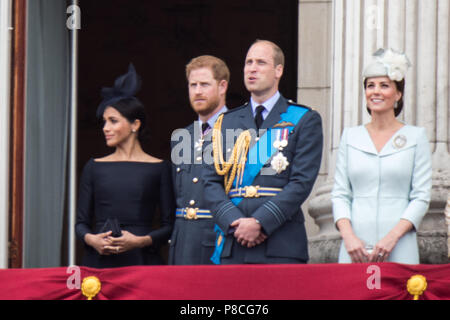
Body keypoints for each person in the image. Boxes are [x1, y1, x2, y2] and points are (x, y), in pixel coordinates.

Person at [202, 40, 323, 264]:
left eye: (261, 62)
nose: (252, 68)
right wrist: (234, 223)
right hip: (234, 242)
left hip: (280, 242)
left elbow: (301, 183)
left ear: (279, 70)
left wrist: (260, 222)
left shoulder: (303, 119)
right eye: (248, 62)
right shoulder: (224, 123)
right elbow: (210, 183)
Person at [332, 48, 432, 264]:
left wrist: (392, 237)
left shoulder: (415, 137)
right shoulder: (350, 136)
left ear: (398, 94)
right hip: (354, 248)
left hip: (399, 244)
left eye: (384, 85)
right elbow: (340, 194)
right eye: (370, 86)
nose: (375, 91)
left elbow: (421, 196)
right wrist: (348, 237)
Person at [76, 64, 175, 268]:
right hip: (100, 261)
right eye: (104, 122)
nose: (106, 128)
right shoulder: (94, 167)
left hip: (142, 261)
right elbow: (80, 223)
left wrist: (140, 241)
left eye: (113, 121)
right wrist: (92, 240)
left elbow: (170, 225)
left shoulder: (159, 167)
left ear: (135, 125)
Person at [168, 55, 230, 265]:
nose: (197, 91)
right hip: (182, 242)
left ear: (222, 86)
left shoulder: (238, 132)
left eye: (204, 84)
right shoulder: (181, 137)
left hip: (216, 242)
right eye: (193, 85)